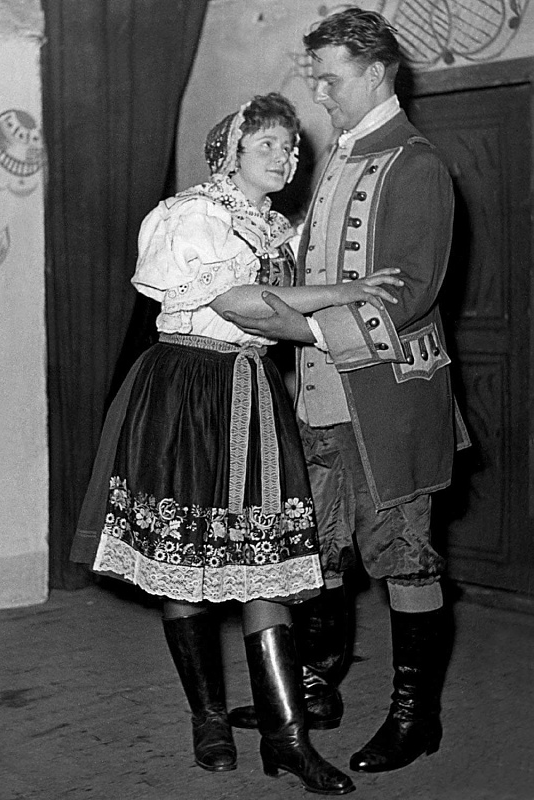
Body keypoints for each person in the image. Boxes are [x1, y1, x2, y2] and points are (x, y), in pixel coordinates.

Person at [70, 92, 402, 794]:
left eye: (292, 147)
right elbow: (239, 304)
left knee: (267, 560)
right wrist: (342, 296)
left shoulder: (275, 227)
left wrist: (343, 291)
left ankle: (286, 738)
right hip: (189, 389)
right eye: (269, 145)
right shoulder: (193, 216)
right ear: (230, 151)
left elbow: (275, 305)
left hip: (251, 388)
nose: (286, 157)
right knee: (184, 555)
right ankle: (209, 718)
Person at [224, 9, 470, 776]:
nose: (321, 95)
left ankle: (416, 717)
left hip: (387, 404)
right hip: (319, 398)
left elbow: (408, 294)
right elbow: (323, 275)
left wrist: (291, 325)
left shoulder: (416, 163)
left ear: (377, 72)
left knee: (404, 557)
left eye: (331, 80)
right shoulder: (339, 156)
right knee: (320, 551)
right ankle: (316, 688)